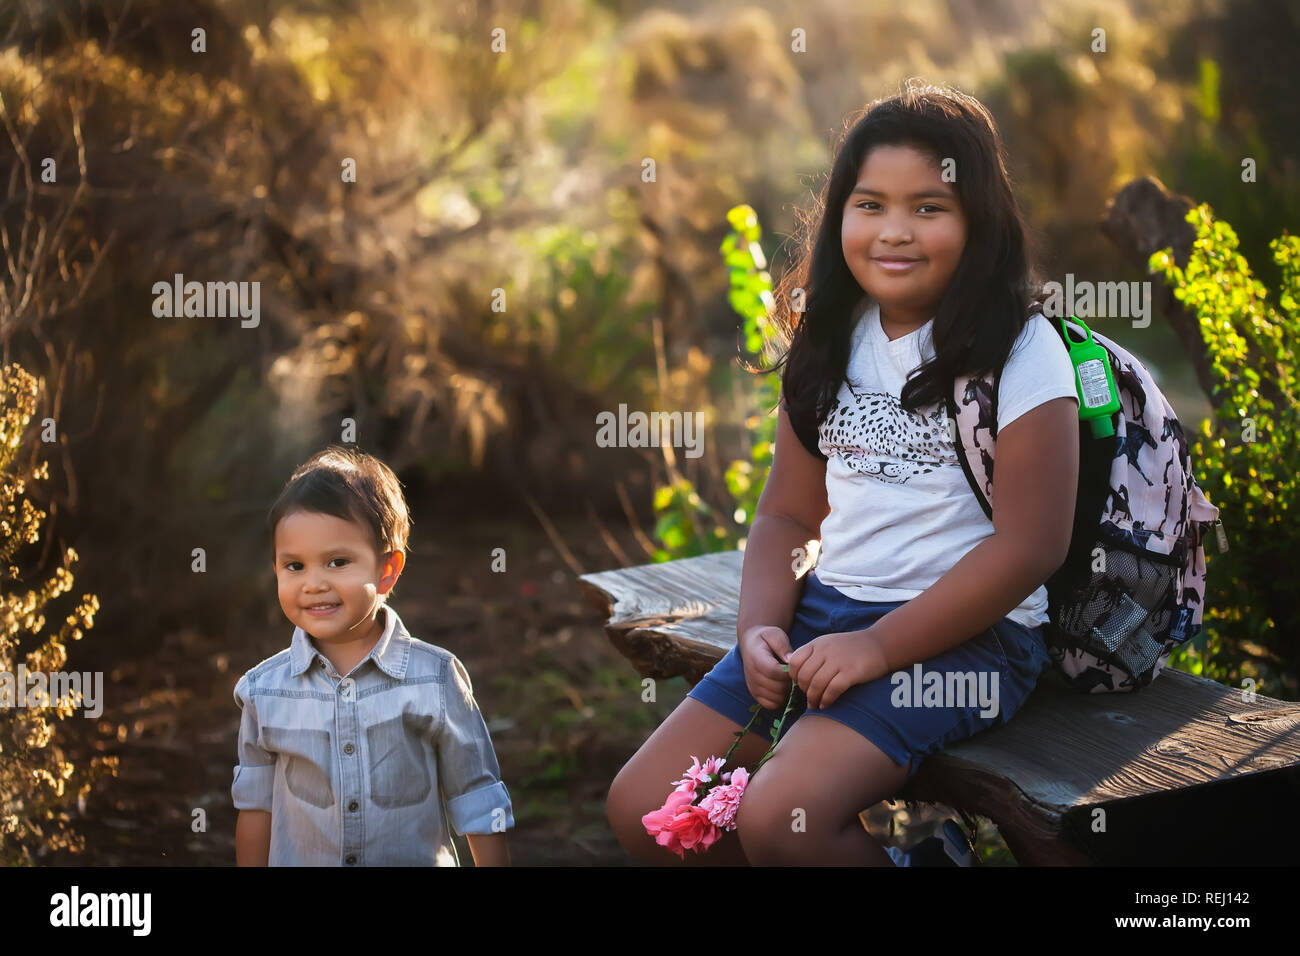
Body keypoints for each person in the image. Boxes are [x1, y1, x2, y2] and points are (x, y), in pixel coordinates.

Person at [606, 81, 1078, 866]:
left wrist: (880, 648)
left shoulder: (1022, 352)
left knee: (776, 815)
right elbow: (789, 519)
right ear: (840, 216)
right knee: (646, 807)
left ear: (979, 220)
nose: (896, 232)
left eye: (930, 207)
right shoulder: (830, 337)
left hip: (969, 644)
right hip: (826, 617)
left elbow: (1029, 547)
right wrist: (759, 625)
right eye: (871, 205)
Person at [232, 445, 513, 865]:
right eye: (295, 566)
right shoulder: (263, 691)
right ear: (275, 568)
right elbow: (256, 807)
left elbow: (476, 797)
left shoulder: (434, 680)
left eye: (337, 561)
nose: (313, 583)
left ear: (387, 570)